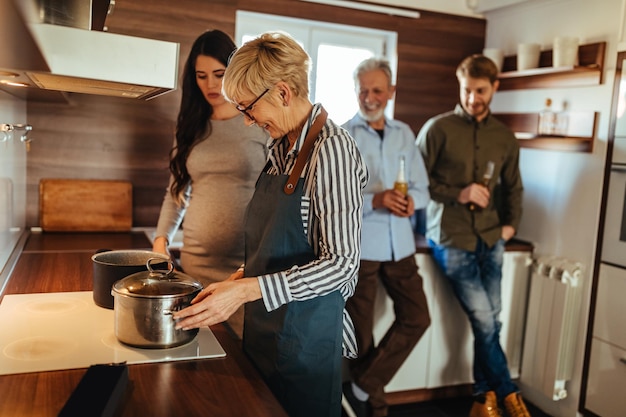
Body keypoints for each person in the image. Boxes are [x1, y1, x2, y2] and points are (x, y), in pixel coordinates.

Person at [171, 31, 368, 417]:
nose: (247, 122)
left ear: (281, 93)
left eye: (248, 109)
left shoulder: (331, 151)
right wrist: (236, 281)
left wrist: (247, 291)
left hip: (306, 341)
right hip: (268, 331)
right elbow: (287, 249)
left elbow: (342, 263)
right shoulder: (281, 149)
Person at [415, 54, 528, 417]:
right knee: (485, 318)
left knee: (492, 320)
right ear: (459, 85)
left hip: (492, 237)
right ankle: (508, 391)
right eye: (467, 90)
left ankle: (483, 397)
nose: (473, 97)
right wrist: (459, 193)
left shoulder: (505, 138)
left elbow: (513, 188)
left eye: (480, 90)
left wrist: (510, 227)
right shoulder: (437, 129)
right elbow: (419, 184)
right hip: (451, 237)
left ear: (494, 88)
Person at [152, 30, 269, 338]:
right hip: (194, 267)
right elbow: (175, 193)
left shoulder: (258, 123)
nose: (210, 85)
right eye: (201, 76)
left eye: (218, 74)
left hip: (244, 272)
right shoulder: (190, 127)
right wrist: (160, 241)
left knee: (242, 371)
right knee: (197, 359)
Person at [341, 57, 431, 417]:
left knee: (418, 317)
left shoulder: (405, 133)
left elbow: (423, 189)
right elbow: (338, 200)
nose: (369, 97)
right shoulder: (344, 134)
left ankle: (361, 387)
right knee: (361, 335)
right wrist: (375, 199)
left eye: (377, 89)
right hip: (361, 249)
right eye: (363, 90)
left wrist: (412, 202)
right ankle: (374, 410)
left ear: (391, 91)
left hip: (402, 245)